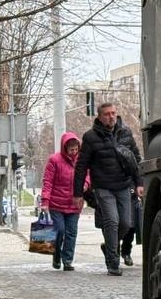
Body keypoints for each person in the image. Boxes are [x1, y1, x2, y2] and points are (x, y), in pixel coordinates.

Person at [73, 102, 144, 276]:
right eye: (106, 114)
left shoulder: (125, 133)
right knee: (112, 221)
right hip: (103, 187)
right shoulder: (90, 137)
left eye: (113, 113)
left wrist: (139, 183)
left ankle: (109, 245)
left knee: (126, 223)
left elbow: (135, 159)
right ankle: (113, 262)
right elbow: (81, 166)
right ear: (99, 117)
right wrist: (77, 193)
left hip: (124, 185)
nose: (111, 116)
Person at [40, 132, 83, 272]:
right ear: (65, 148)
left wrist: (86, 184)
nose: (74, 152)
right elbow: (47, 182)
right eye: (71, 149)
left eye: (76, 149)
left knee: (71, 233)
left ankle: (67, 260)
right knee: (59, 230)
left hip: (74, 204)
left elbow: (87, 174)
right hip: (56, 204)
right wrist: (45, 201)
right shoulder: (54, 160)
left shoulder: (81, 160)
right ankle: (56, 254)